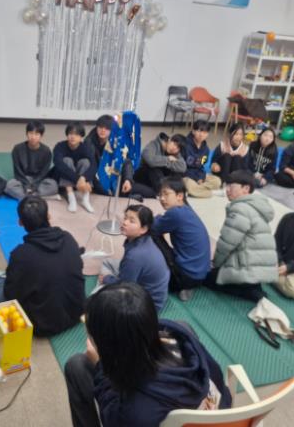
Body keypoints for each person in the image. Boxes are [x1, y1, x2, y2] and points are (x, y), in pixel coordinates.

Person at [64, 282, 231, 427]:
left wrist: (100, 367)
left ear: (110, 348)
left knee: (76, 365)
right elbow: (219, 382)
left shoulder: (135, 411)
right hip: (223, 416)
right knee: (183, 324)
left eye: (92, 334)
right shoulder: (182, 337)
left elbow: (112, 419)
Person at [0, 196, 84, 336]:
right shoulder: (68, 237)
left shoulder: (20, 254)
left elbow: (12, 295)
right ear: (48, 216)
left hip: (43, 325)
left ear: (20, 222)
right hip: (76, 313)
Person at [205, 170, 278, 302]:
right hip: (259, 267)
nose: (227, 190)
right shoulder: (256, 205)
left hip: (247, 267)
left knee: (203, 275)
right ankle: (251, 286)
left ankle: (249, 291)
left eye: (231, 186)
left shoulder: (240, 209)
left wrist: (215, 264)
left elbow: (226, 243)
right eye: (226, 186)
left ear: (246, 188)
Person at [100, 205, 170, 312]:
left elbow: (125, 287)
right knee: (106, 262)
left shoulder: (135, 256)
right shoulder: (146, 240)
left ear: (143, 229)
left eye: (131, 221)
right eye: (125, 217)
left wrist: (107, 280)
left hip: (146, 305)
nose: (125, 222)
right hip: (155, 293)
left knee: (99, 296)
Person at [151, 177, 211, 301]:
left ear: (179, 196)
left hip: (186, 276)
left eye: (166, 194)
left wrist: (157, 218)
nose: (162, 198)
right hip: (200, 274)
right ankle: (187, 285)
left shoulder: (175, 213)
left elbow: (154, 227)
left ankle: (180, 284)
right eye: (160, 195)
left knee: (149, 231)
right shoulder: (187, 210)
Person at [85, 114, 140, 197]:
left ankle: (125, 189)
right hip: (96, 174)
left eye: (107, 128)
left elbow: (126, 161)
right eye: (100, 127)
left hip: (114, 173)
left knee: (148, 192)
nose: (103, 130)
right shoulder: (89, 142)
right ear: (96, 127)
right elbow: (92, 164)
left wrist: (128, 179)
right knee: (107, 191)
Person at [4, 120, 58, 200]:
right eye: (31, 133)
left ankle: (25, 197)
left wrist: (34, 186)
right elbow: (18, 172)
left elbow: (44, 173)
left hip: (39, 180)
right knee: (9, 185)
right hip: (22, 179)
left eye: (36, 134)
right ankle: (35, 196)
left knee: (53, 185)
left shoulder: (46, 151)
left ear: (41, 136)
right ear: (26, 134)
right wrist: (26, 185)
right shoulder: (17, 149)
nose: (33, 137)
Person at [51, 122, 96, 213]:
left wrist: (83, 178)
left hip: (80, 178)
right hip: (63, 177)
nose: (73, 137)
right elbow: (58, 164)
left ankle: (85, 199)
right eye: (70, 134)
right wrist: (79, 179)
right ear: (67, 135)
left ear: (81, 136)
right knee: (67, 160)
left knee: (86, 162)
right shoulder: (60, 146)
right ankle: (71, 197)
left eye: (76, 134)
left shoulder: (86, 147)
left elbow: (94, 165)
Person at [134, 132, 187, 197]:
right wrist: (167, 159)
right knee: (154, 166)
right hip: (142, 177)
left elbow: (183, 167)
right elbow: (150, 160)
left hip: (157, 181)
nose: (174, 148)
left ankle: (174, 189)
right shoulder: (154, 144)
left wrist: (166, 162)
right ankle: (163, 191)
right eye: (174, 144)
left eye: (178, 148)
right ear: (169, 139)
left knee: (177, 172)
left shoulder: (175, 153)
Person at [183, 119, 221, 198]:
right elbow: (182, 168)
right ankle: (209, 192)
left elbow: (201, 166)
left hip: (198, 174)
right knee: (189, 185)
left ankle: (198, 190)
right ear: (193, 131)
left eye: (205, 132)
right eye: (199, 131)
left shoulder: (206, 149)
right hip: (186, 175)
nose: (201, 135)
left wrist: (200, 177)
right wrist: (197, 178)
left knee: (217, 181)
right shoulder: (184, 145)